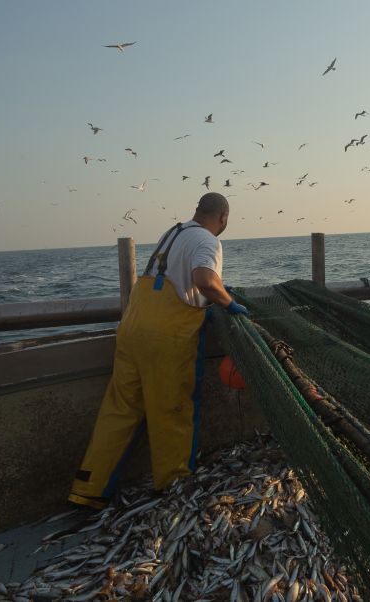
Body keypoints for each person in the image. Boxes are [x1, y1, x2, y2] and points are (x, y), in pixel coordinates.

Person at [68, 193, 248, 509]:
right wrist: (230, 304)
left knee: (120, 410)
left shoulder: (174, 232)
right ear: (223, 218)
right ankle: (173, 487)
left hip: (132, 329)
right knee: (172, 411)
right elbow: (204, 280)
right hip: (165, 338)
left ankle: (87, 490)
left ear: (197, 211)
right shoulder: (208, 240)